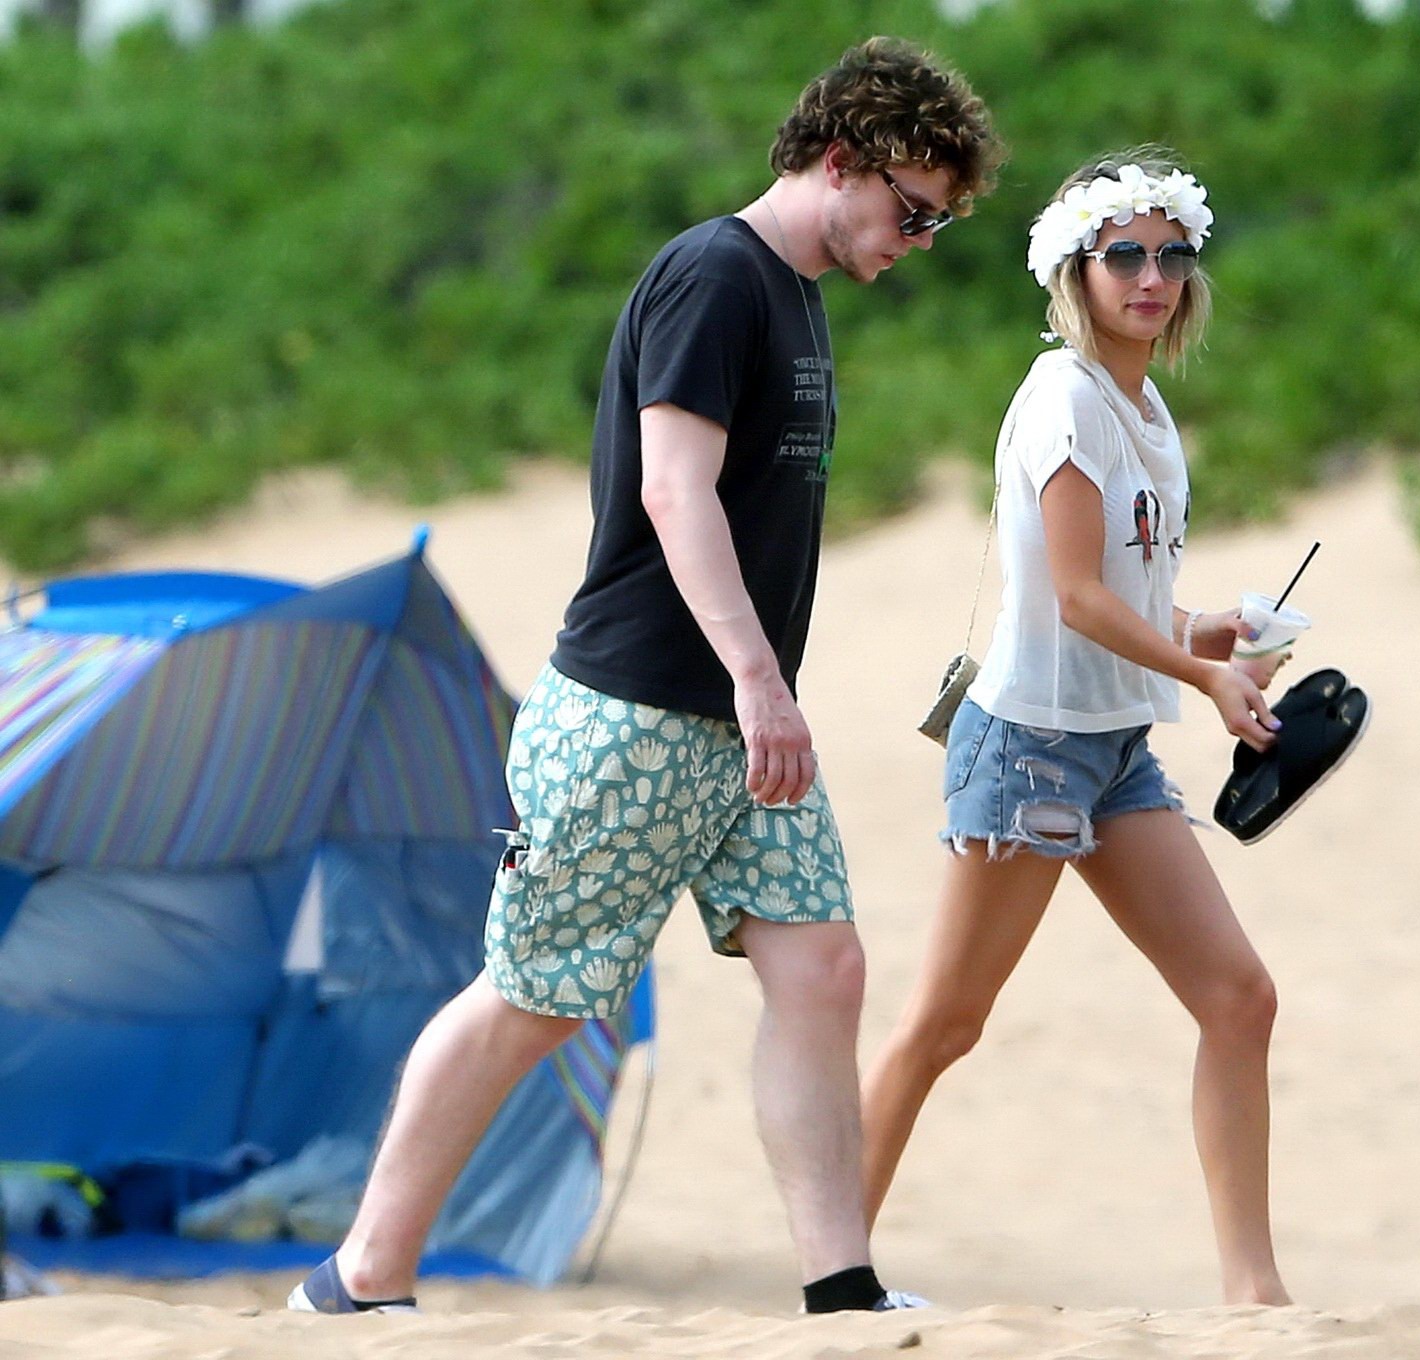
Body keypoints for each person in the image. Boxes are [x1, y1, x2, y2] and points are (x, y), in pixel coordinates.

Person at [289, 37, 1000, 1317]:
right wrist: (758, 677)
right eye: (912, 211)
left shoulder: (797, 295)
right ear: (840, 160)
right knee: (533, 999)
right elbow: (673, 494)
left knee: (821, 966)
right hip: (633, 712)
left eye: (938, 224)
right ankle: (357, 1277)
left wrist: (757, 697)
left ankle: (839, 1287)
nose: (918, 240)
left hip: (735, 730)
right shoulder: (712, 275)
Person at [859, 151, 1295, 1307]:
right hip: (1028, 746)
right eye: (1124, 256)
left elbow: (1133, 603)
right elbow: (1071, 600)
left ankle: (1254, 1293)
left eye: (1171, 254)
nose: (1151, 275)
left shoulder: (1144, 408)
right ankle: (830, 1272)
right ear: (1073, 271)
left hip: (1109, 750)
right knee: (943, 1024)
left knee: (1238, 998)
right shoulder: (1063, 398)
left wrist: (1223, 630)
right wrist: (1204, 685)